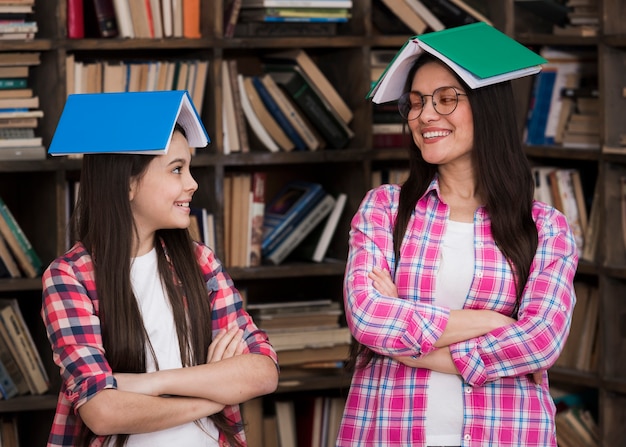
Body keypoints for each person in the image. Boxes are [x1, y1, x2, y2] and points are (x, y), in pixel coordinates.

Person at [337, 50, 578, 446]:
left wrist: (406, 344)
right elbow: (367, 318)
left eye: (445, 99)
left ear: (486, 108)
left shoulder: (545, 227)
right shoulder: (384, 208)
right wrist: (497, 323)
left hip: (509, 433)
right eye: (415, 103)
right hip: (387, 431)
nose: (425, 115)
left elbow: (541, 341)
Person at [41, 122, 279, 447]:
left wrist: (149, 384)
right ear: (127, 184)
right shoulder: (70, 276)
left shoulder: (200, 263)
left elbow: (264, 370)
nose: (193, 184)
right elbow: (102, 411)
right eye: (177, 170)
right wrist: (212, 397)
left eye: (189, 169)